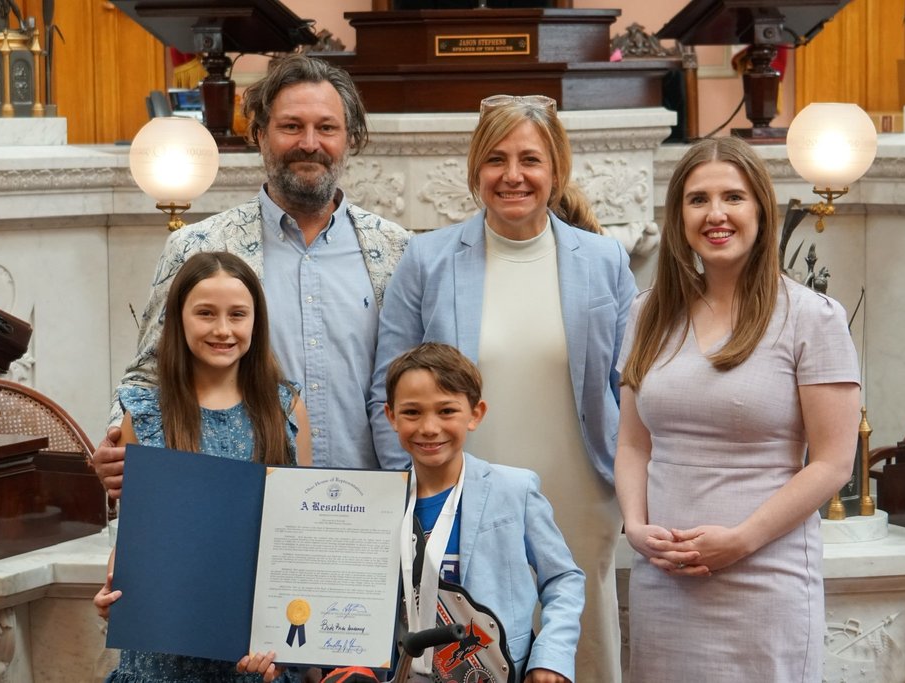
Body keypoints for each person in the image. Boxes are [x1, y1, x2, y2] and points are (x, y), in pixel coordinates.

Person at [368, 95, 635, 681]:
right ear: (474, 172)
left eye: (530, 160)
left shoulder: (604, 259)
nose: (512, 176)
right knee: (474, 647)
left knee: (581, 648)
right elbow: (383, 389)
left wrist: (632, 487)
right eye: (495, 159)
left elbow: (628, 389)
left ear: (556, 170)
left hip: (581, 489)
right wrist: (411, 496)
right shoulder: (428, 259)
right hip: (459, 495)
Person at [92, 55, 411, 496]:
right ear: (259, 134)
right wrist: (117, 445)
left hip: (371, 502)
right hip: (239, 507)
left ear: (350, 137)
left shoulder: (396, 250)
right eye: (291, 126)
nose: (309, 142)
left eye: (327, 127)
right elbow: (148, 375)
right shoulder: (198, 247)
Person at [614, 136, 860, 682]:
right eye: (698, 199)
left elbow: (832, 464)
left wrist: (741, 540)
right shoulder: (647, 313)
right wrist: (634, 525)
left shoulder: (812, 318)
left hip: (764, 577)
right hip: (663, 578)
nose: (716, 214)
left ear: (760, 209)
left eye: (734, 197)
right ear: (678, 214)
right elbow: (633, 442)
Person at [93, 251, 311, 683]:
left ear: (256, 322)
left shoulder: (286, 409)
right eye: (205, 313)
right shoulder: (146, 413)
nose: (223, 329)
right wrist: (113, 595)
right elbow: (136, 539)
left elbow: (299, 538)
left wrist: (292, 650)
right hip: (162, 659)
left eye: (237, 314)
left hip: (252, 657)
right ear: (177, 320)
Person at [385, 342, 584, 683]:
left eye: (446, 411)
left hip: (496, 670)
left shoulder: (515, 490)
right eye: (412, 412)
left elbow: (564, 579)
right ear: (391, 416)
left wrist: (552, 655)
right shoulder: (380, 500)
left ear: (475, 414)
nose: (429, 427)